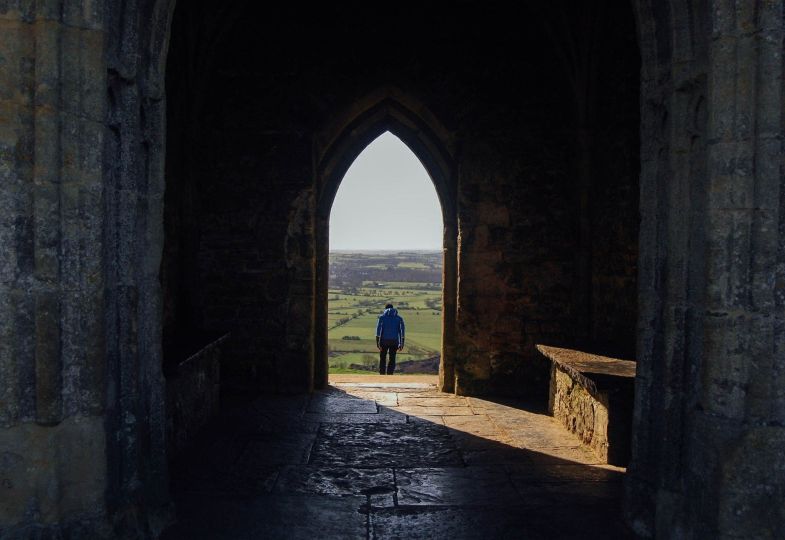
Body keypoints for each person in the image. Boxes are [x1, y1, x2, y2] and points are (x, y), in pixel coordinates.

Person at [375, 303, 405, 375]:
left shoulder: (381, 317)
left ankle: (382, 374)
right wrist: (402, 343)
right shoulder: (399, 318)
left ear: (385, 309)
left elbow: (378, 330)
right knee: (392, 358)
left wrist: (377, 342)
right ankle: (390, 374)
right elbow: (402, 332)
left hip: (383, 341)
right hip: (394, 342)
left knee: (383, 358)